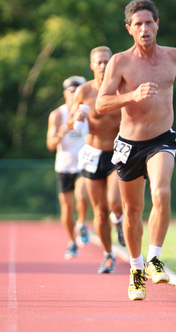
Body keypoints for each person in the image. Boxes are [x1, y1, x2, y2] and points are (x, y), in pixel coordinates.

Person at [96, 0, 176, 300]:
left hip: (162, 139)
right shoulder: (120, 62)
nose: (144, 29)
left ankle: (155, 258)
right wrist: (132, 95)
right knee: (132, 210)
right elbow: (102, 103)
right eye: (138, 24)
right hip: (129, 144)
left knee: (162, 192)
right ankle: (135, 269)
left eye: (149, 22)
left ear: (158, 24)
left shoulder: (174, 56)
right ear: (129, 29)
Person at [67, 46, 125, 275]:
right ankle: (109, 255)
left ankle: (119, 219)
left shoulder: (121, 88)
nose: (102, 65)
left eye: (106, 61)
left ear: (112, 63)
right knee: (99, 211)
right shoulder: (83, 91)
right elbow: (71, 122)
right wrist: (76, 118)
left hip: (117, 152)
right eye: (98, 62)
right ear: (91, 65)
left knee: (114, 202)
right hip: (92, 153)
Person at [47, 76, 90, 259]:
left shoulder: (88, 112)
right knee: (67, 207)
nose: (75, 94)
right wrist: (60, 133)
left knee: (82, 195)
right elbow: (50, 144)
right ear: (66, 93)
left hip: (84, 163)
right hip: (64, 165)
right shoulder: (57, 115)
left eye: (79, 91)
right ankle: (72, 242)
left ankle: (81, 223)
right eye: (72, 91)